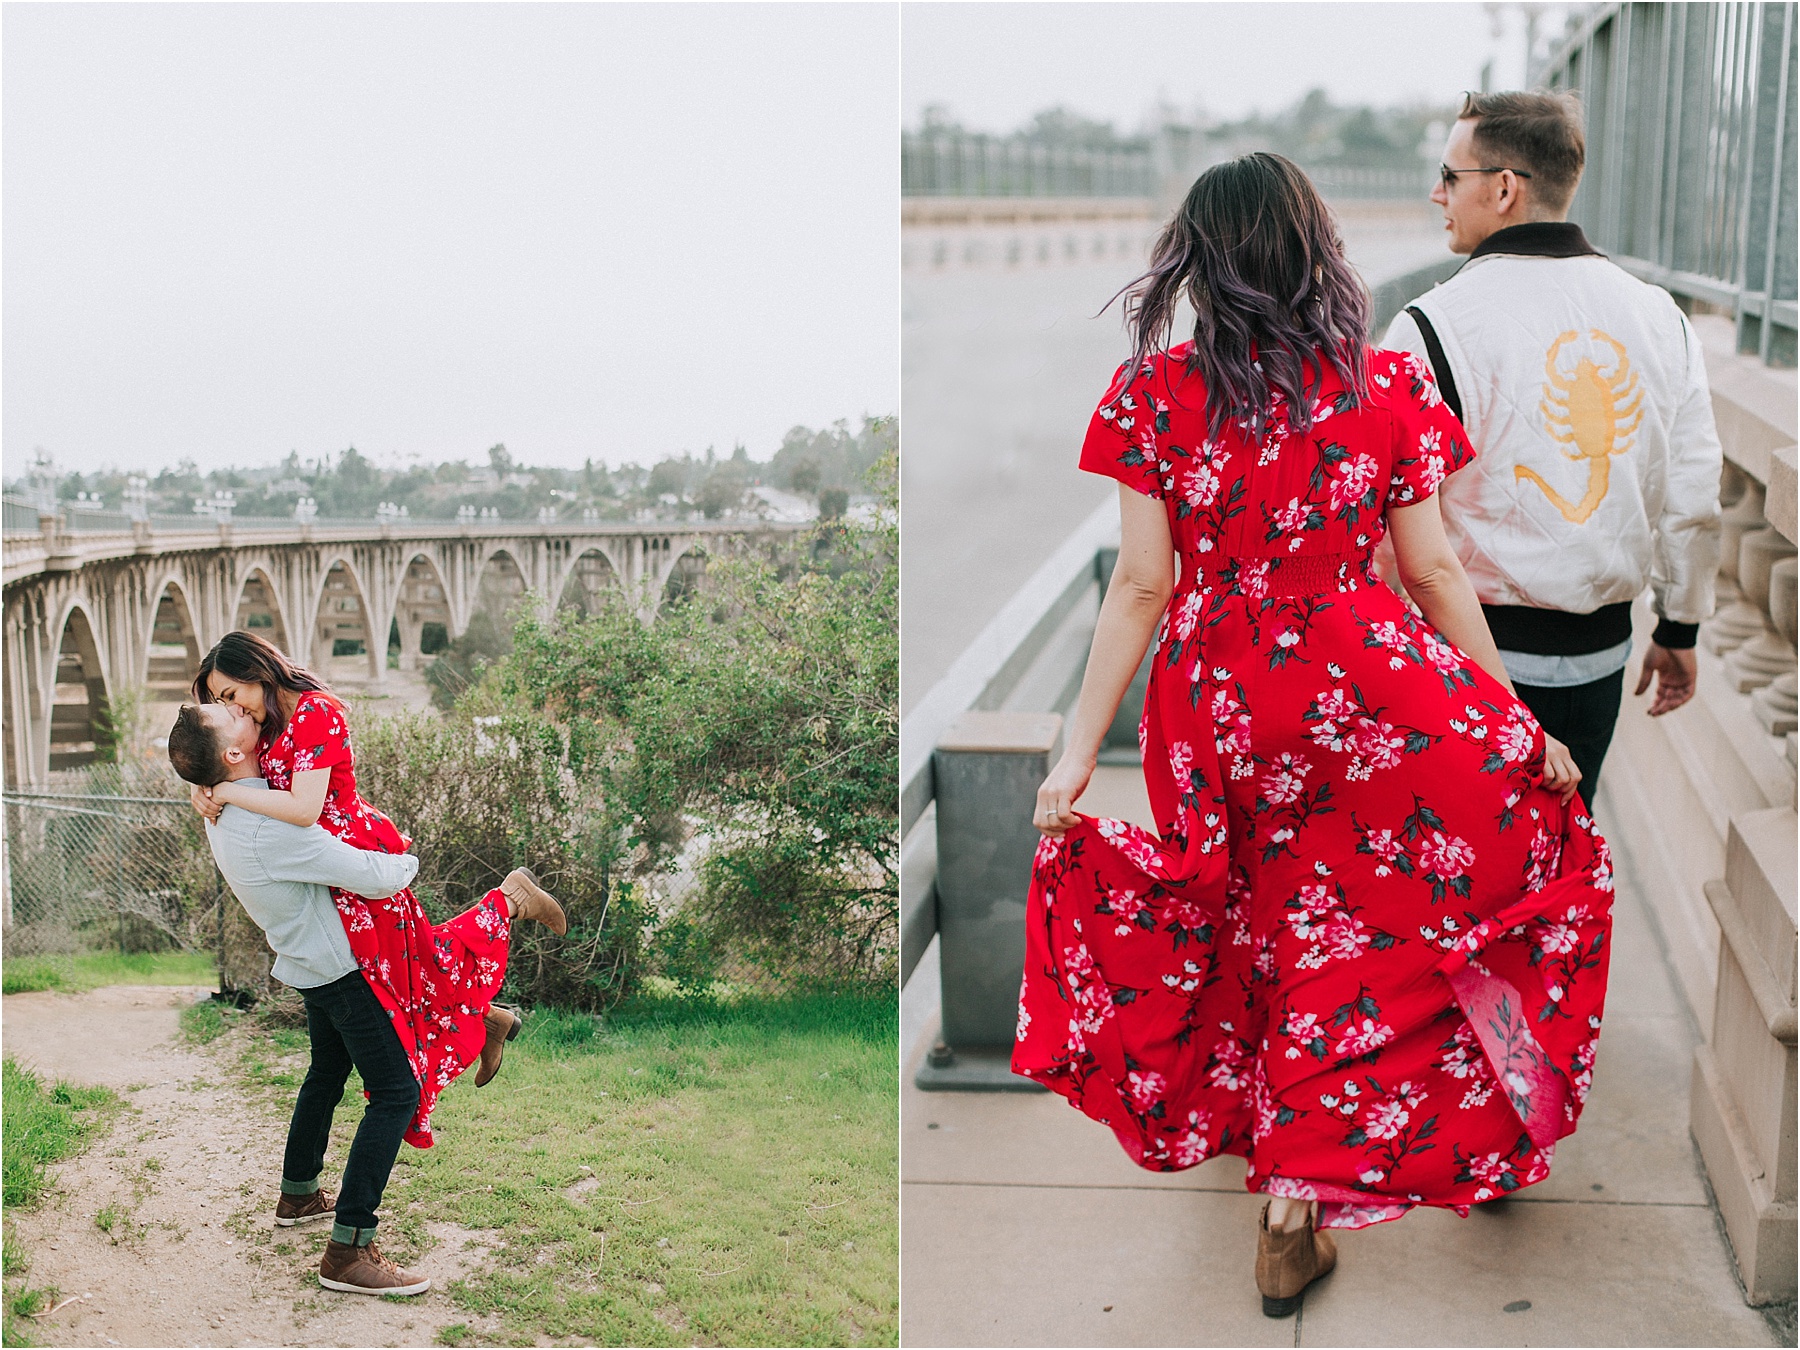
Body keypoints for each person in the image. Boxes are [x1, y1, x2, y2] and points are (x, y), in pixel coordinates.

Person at [1011, 152, 1616, 1319]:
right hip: (1368, 689)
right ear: (1315, 249)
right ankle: (1300, 1196)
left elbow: (1140, 587)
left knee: (1256, 931)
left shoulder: (1153, 394)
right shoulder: (1382, 384)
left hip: (1222, 702)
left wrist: (1079, 749)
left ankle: (1285, 1192)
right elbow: (1434, 571)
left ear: (1200, 256)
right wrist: (1510, 722)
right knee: (1369, 935)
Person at [1381, 90, 1723, 802]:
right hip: (1602, 658)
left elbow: (1385, 527)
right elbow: (1694, 495)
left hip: (1464, 669)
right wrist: (1680, 626)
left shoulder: (1428, 327)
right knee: (1564, 877)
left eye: (1450, 176)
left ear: (1503, 188)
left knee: (1460, 886)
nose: (1436, 192)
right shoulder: (1662, 317)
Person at [167, 698, 561, 1294]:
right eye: (233, 715)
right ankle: (349, 1251)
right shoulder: (267, 829)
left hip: (305, 963)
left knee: (327, 1071)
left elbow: (254, 791)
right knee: (397, 1092)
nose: (246, 711)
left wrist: (217, 790)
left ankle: (299, 1195)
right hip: (341, 970)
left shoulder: (221, 811)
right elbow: (380, 875)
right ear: (231, 753)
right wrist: (403, 854)